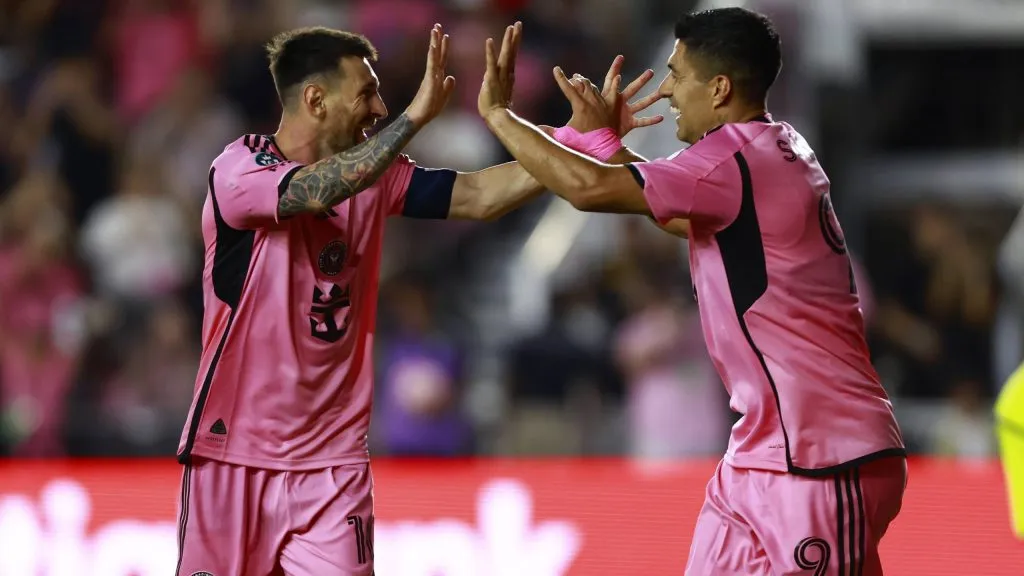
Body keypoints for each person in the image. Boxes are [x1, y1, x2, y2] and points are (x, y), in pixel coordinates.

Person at [174, 23, 661, 576]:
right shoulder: (239, 171)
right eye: (367, 92)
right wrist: (415, 118)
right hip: (233, 457)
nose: (379, 106)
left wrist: (575, 144)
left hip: (333, 468)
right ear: (315, 99)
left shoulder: (376, 178)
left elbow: (478, 196)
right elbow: (315, 190)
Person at [478, 9, 906, 575]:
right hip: (762, 455)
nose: (669, 89)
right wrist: (604, 140)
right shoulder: (770, 151)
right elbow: (671, 209)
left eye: (678, 74)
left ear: (720, 87)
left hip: (822, 453)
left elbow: (587, 190)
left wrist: (500, 116)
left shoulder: (734, 163)